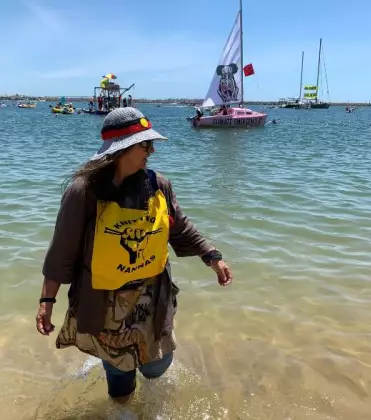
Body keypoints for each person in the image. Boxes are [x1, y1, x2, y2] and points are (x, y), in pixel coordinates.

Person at [36, 107, 234, 404]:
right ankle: (123, 410)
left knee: (157, 366)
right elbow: (62, 251)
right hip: (104, 302)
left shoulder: (158, 185)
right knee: (119, 378)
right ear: (123, 148)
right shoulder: (84, 191)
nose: (151, 150)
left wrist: (212, 256)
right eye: (145, 144)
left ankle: (152, 402)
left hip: (152, 298)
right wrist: (46, 302)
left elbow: (179, 228)